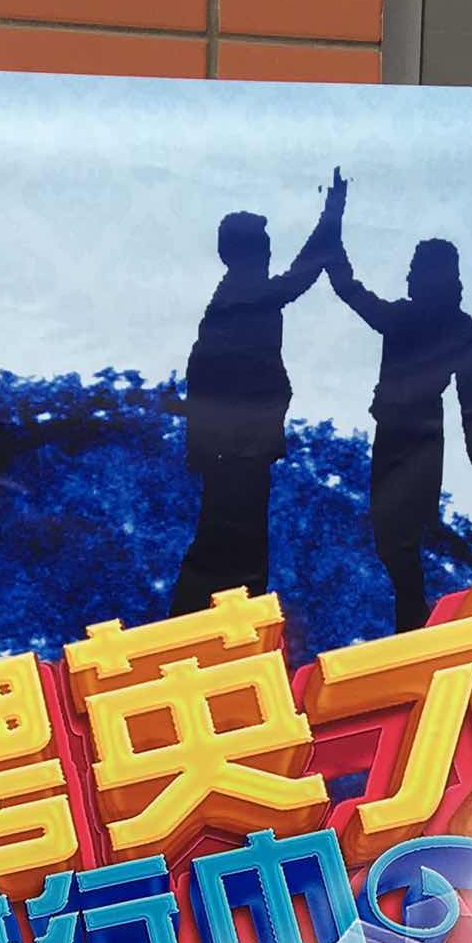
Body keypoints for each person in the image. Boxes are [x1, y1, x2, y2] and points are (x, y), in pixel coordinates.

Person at [169, 172, 348, 616]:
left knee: (227, 538)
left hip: (232, 445)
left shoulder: (232, 297)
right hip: (238, 446)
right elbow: (304, 272)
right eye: (263, 244)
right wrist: (332, 216)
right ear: (247, 252)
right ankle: (219, 622)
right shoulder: (244, 295)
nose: (269, 251)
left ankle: (214, 619)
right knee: (235, 543)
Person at [326, 230, 472, 630]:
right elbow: (471, 399)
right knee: (397, 536)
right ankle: (418, 614)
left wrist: (331, 253)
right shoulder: (459, 329)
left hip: (410, 436)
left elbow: (351, 291)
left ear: (428, 277)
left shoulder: (411, 320)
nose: (407, 277)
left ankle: (419, 617)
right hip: (410, 434)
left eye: (414, 270)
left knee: (399, 537)